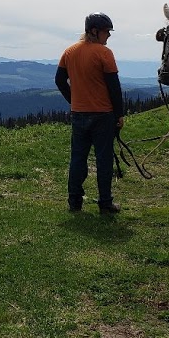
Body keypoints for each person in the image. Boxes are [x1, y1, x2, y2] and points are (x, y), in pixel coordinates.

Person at [54, 13, 125, 214]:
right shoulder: (104, 53)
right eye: (106, 32)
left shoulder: (69, 52)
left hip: (78, 114)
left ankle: (74, 201)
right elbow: (114, 87)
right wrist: (119, 114)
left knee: (78, 158)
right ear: (95, 31)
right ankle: (105, 203)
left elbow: (59, 80)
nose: (108, 36)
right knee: (104, 160)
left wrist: (73, 99)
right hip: (103, 115)